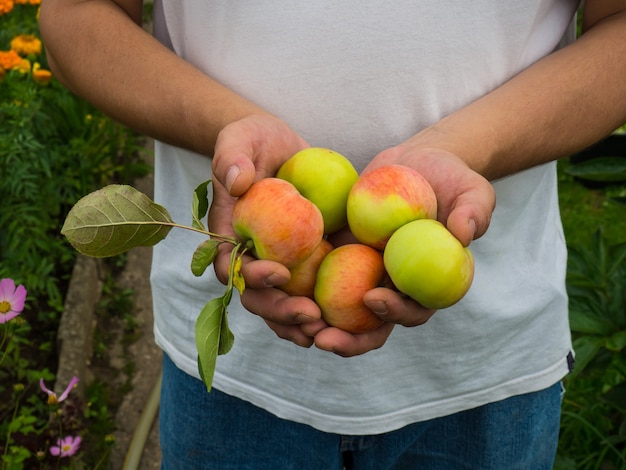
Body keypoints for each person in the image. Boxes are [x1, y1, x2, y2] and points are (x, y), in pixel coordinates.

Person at [40, 1, 626, 468]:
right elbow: (74, 16)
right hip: (237, 378)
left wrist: (466, 149)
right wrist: (227, 131)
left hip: (489, 368)